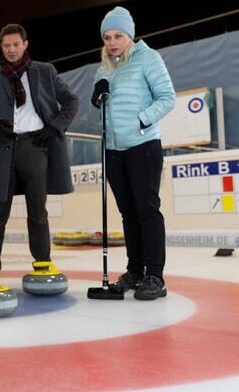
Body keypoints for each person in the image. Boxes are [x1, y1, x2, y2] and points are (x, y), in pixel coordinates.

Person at [0, 23, 78, 284]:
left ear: (25, 44)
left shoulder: (45, 71)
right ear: (1, 47)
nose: (11, 50)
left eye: (16, 45)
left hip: (35, 146)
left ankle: (42, 262)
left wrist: (54, 127)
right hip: (3, 148)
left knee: (37, 210)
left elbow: (71, 101)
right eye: (6, 45)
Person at [91, 6, 175, 300]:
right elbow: (103, 105)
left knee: (146, 210)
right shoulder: (104, 67)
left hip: (143, 147)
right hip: (114, 151)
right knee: (128, 214)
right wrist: (97, 96)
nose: (112, 42)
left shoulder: (148, 58)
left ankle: (154, 275)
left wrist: (140, 120)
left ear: (130, 35)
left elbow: (167, 97)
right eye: (107, 37)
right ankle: (135, 270)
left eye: (118, 35)